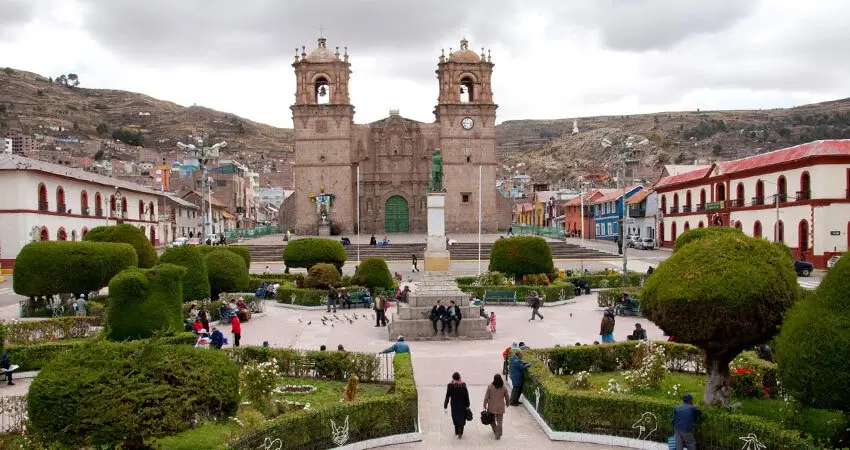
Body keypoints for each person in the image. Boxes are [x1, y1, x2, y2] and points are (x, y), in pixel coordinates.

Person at [483, 373, 511, 440]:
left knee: (492, 420)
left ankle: (496, 431)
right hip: (500, 407)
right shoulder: (504, 387)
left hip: (491, 407)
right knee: (500, 421)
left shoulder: (490, 387)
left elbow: (486, 397)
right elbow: (507, 397)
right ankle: (498, 435)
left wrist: (484, 404)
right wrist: (508, 403)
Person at [443, 372, 471, 439]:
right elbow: (466, 396)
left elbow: (447, 396)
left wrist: (445, 406)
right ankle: (460, 432)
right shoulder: (463, 385)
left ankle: (456, 431)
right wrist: (468, 404)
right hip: (462, 404)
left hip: (454, 405)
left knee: (455, 416)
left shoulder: (450, 386)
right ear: (459, 377)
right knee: (462, 417)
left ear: (453, 378)